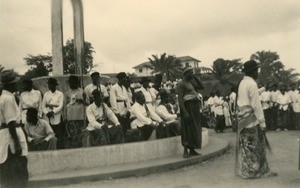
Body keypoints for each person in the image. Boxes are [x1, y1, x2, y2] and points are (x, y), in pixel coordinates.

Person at [235, 60, 277, 179]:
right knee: (257, 145)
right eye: (256, 70)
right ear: (252, 72)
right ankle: (260, 171)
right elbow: (256, 105)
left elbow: (250, 96)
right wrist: (262, 123)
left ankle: (247, 171)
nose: (258, 73)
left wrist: (264, 88)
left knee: (246, 146)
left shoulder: (242, 83)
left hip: (243, 119)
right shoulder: (252, 84)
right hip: (252, 120)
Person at [0, 70, 28, 188]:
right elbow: (11, 122)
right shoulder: (7, 99)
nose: (17, 84)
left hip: (10, 133)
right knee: (17, 168)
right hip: (11, 135)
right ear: (10, 84)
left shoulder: (6, 97)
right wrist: (16, 142)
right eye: (15, 82)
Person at [177, 66, 203, 158]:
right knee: (186, 129)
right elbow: (180, 99)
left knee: (194, 128)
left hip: (194, 107)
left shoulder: (190, 82)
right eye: (191, 72)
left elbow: (201, 86)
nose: (193, 74)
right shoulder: (181, 83)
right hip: (188, 107)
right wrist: (185, 112)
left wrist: (195, 77)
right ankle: (185, 151)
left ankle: (192, 150)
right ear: (186, 73)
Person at [64, 75, 87, 148]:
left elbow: (88, 103)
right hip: (71, 118)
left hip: (80, 117)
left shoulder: (82, 92)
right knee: (72, 135)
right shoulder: (67, 93)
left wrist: (82, 100)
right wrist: (64, 116)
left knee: (80, 135)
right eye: (70, 83)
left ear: (77, 83)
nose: (71, 85)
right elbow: (64, 106)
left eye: (73, 83)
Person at [42, 78, 64, 149]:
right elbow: (43, 106)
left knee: (58, 133)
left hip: (57, 115)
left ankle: (59, 148)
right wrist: (46, 112)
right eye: (49, 84)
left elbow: (60, 106)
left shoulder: (60, 94)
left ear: (55, 85)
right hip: (48, 115)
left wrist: (53, 112)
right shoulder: (46, 94)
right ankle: (51, 147)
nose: (49, 85)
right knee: (49, 132)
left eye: (51, 84)